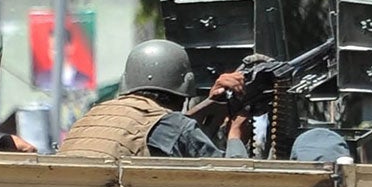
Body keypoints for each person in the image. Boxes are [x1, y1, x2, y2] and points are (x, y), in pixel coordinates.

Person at [55, 38, 248, 160]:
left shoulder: (91, 116)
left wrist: (211, 106)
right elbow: (231, 185)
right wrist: (235, 136)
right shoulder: (174, 126)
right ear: (183, 90)